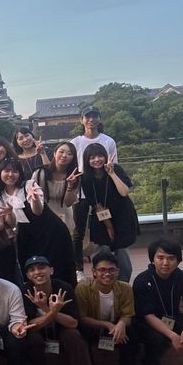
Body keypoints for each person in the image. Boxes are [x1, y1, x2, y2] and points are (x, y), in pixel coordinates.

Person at [22, 256, 113, 365]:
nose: (37, 272)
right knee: (33, 339)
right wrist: (52, 312)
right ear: (28, 275)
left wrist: (47, 310)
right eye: (32, 270)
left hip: (61, 329)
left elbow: (73, 323)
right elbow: (30, 326)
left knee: (74, 336)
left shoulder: (64, 288)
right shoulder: (25, 291)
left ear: (51, 270)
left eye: (41, 267)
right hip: (39, 332)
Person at [0, 158, 75, 287]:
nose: (10, 174)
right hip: (27, 237)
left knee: (57, 267)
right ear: (0, 172)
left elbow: (38, 211)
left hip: (51, 232)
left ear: (20, 173)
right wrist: (9, 213)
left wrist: (35, 198)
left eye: (15, 171)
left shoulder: (29, 185)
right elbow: (11, 223)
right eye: (6, 171)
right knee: (32, 270)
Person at [76, 248, 142, 365]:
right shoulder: (83, 288)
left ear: (118, 271)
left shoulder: (125, 288)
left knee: (132, 334)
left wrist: (121, 324)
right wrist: (107, 325)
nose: (107, 274)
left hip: (116, 327)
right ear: (94, 272)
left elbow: (128, 314)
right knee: (82, 335)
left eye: (112, 270)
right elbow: (82, 317)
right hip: (94, 326)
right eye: (102, 270)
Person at [79, 143, 138, 281]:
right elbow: (97, 205)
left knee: (122, 252)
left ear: (105, 156)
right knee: (103, 250)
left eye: (100, 156)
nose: (96, 160)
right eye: (92, 157)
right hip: (102, 218)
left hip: (123, 216)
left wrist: (112, 174)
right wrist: (109, 226)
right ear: (87, 160)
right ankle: (103, 282)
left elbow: (124, 192)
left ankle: (123, 284)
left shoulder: (115, 169)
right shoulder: (86, 178)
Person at [71, 105, 118, 277]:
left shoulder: (108, 141)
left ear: (100, 119)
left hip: (102, 190)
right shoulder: (75, 143)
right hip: (81, 192)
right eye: (87, 116)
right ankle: (78, 269)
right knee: (79, 230)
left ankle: (107, 264)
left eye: (95, 116)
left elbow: (114, 166)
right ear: (82, 120)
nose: (91, 120)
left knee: (105, 224)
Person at [31, 141, 82, 233]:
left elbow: (68, 203)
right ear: (54, 153)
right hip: (43, 216)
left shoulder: (75, 177)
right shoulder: (40, 174)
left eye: (69, 154)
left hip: (65, 217)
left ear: (73, 158)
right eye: (61, 152)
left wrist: (70, 185)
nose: (64, 155)